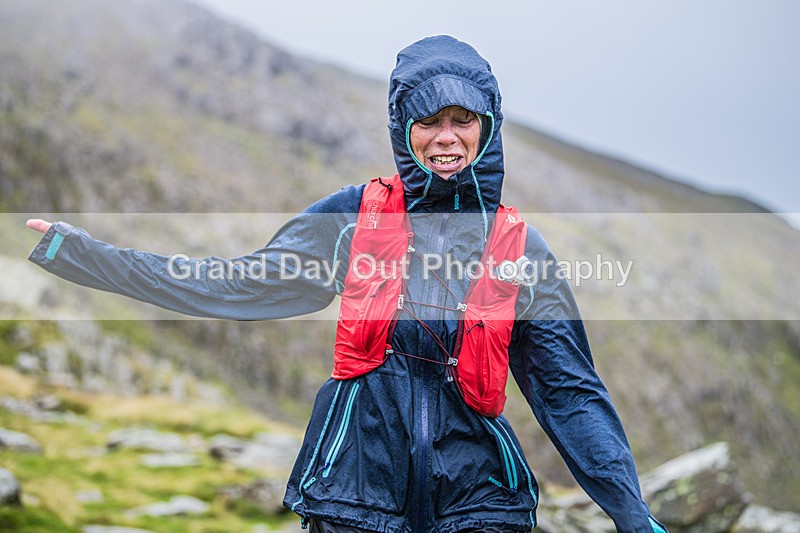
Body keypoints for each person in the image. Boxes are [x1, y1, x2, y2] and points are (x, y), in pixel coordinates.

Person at [26, 35, 666, 532]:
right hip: (354, 493)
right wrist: (84, 255)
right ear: (402, 130)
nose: (446, 137)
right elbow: (231, 285)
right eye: (428, 121)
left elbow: (570, 395)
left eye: (463, 119)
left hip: (479, 504)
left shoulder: (523, 250)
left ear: (488, 126)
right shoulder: (350, 219)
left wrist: (632, 514)